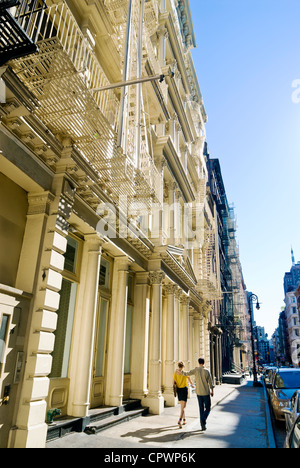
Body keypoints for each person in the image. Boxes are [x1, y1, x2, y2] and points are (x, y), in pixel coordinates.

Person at [180, 357, 214, 431]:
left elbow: (187, 373)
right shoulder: (207, 371)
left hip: (198, 392)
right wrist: (212, 390)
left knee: (201, 408)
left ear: (199, 362)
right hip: (205, 392)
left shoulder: (196, 370)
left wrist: (181, 370)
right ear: (204, 362)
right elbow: (210, 382)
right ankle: (203, 419)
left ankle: (203, 425)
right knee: (208, 408)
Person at [173, 361, 194, 428]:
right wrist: (192, 385)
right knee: (183, 407)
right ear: (183, 366)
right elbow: (190, 380)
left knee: (182, 406)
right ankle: (180, 420)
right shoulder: (184, 373)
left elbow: (173, 383)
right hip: (184, 390)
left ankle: (184, 420)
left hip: (179, 390)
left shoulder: (175, 373)